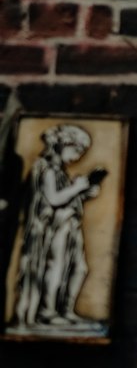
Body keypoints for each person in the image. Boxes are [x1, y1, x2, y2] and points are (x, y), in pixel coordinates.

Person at [13, 123, 106, 331]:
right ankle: (48, 311)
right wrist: (77, 188)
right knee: (56, 267)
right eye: (76, 150)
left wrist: (83, 193)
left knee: (79, 268)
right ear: (62, 144)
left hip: (70, 224)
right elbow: (53, 199)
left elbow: (65, 198)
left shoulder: (60, 171)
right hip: (53, 227)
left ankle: (67, 310)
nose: (78, 157)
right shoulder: (45, 168)